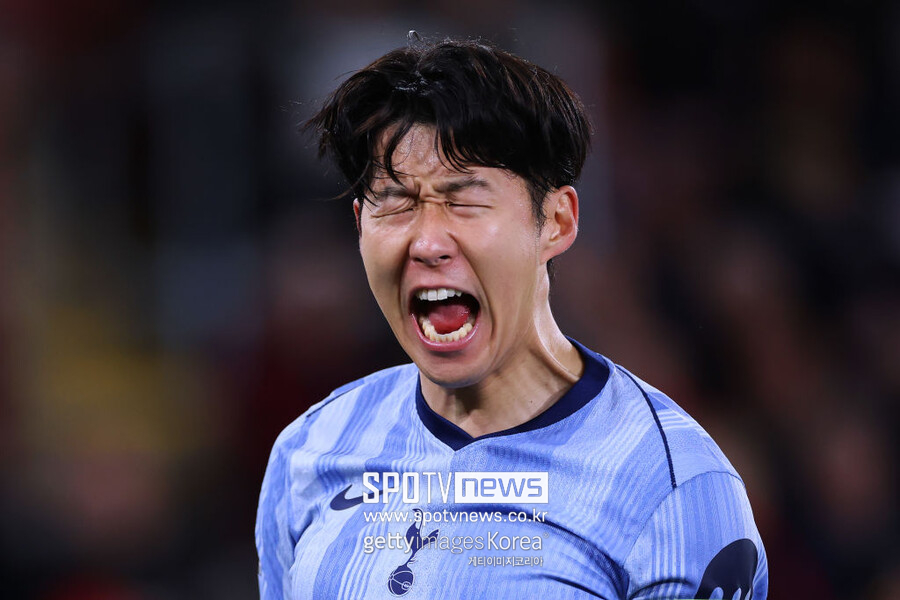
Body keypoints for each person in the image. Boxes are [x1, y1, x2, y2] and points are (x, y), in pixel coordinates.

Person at [256, 37, 768, 600]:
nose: (427, 242)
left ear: (556, 221)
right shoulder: (308, 452)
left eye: (464, 201)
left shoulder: (674, 487)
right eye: (396, 203)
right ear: (360, 225)